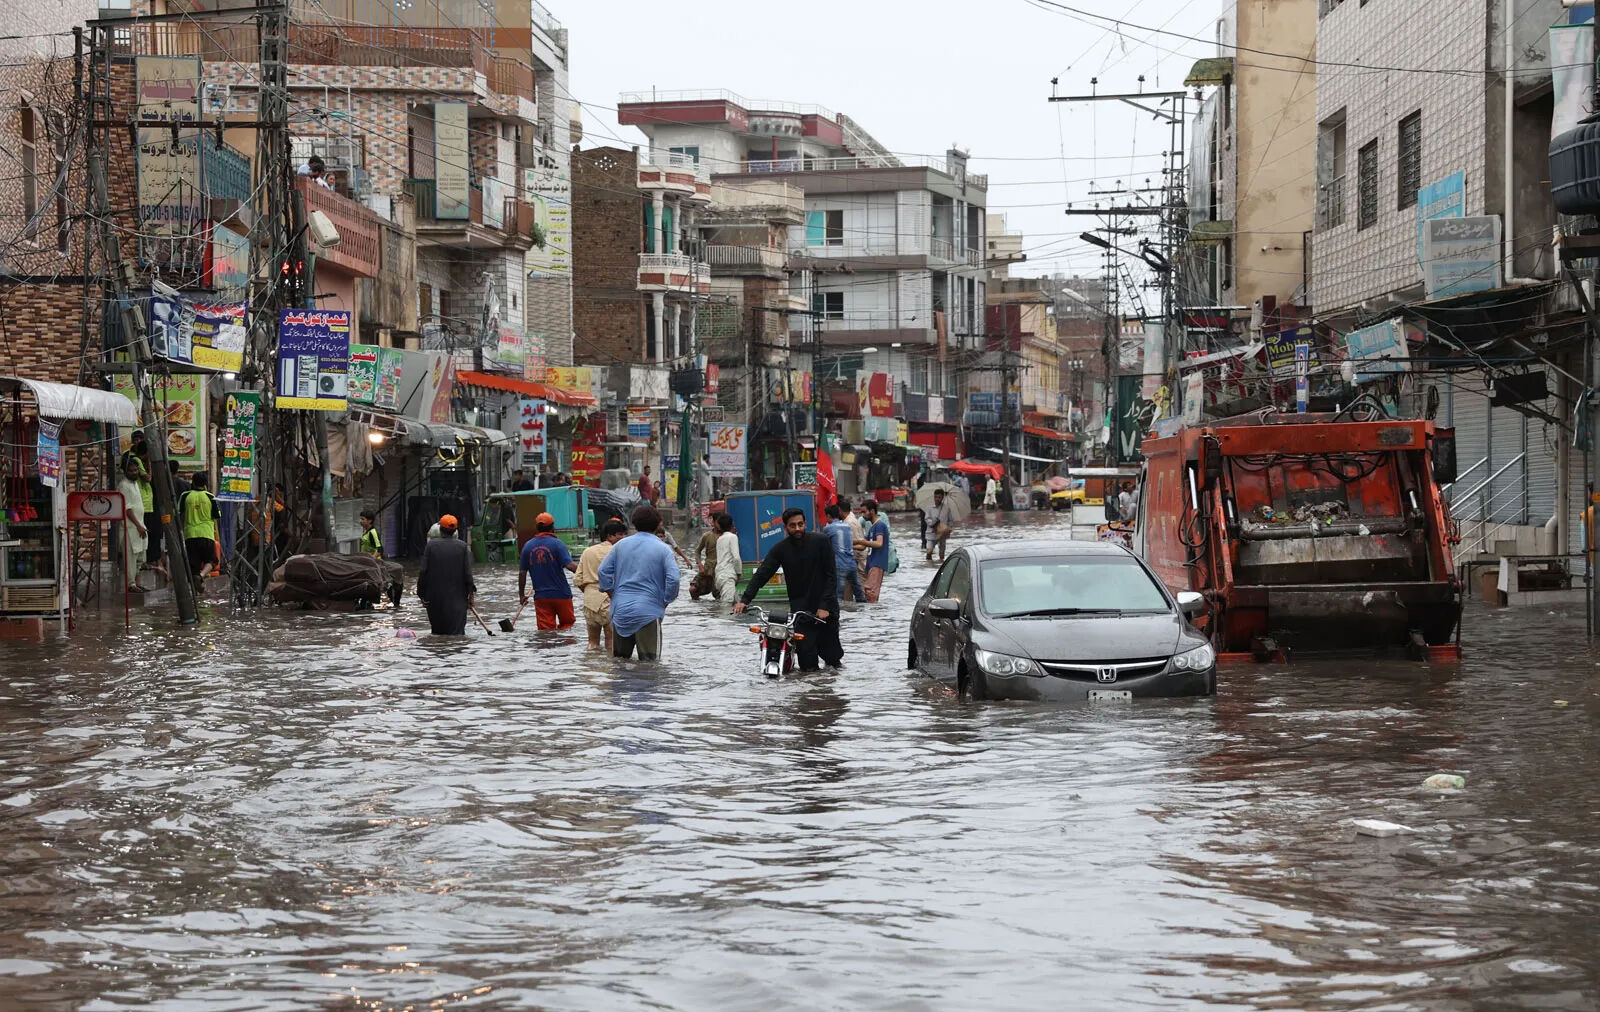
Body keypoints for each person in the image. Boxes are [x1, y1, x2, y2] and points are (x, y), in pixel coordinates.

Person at [734, 507, 842, 670]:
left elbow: (831, 575)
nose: (797, 528)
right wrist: (744, 600)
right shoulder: (781, 549)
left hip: (826, 609)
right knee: (806, 662)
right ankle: (810, 693)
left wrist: (824, 606)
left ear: (805, 524)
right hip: (801, 611)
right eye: (793, 525)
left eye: (800, 524)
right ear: (786, 528)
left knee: (832, 659)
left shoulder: (821, 541)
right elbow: (762, 574)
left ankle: (829, 692)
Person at [598, 504, 681, 660]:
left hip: (621, 611)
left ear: (634, 524)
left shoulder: (620, 545)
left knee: (619, 664)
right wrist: (666, 600)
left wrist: (612, 594)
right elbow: (674, 578)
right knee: (650, 666)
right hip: (648, 613)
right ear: (658, 524)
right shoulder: (663, 549)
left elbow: (603, 571)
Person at [417, 514, 476, 635]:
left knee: (437, 634)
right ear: (455, 530)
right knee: (457, 635)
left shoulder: (430, 546)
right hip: (458, 602)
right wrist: (471, 597)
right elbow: (468, 575)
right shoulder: (463, 547)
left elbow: (423, 572)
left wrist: (422, 595)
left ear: (440, 530)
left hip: (435, 601)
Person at [519, 511, 578, 629]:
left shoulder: (527, 546)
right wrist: (589, 574)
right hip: (561, 595)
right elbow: (571, 566)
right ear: (552, 527)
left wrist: (521, 595)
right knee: (567, 626)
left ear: (537, 527)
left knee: (546, 632)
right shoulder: (557, 544)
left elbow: (522, 573)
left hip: (542, 597)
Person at [575, 518, 626, 651]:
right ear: (609, 536)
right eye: (620, 534)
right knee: (611, 642)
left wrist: (590, 592)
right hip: (610, 599)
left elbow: (578, 580)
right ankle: (609, 670)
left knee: (592, 643)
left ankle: (591, 669)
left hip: (589, 601)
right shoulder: (618, 552)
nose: (623, 537)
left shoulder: (587, 552)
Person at [178, 472, 219, 584]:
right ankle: (202, 575)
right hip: (206, 534)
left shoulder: (185, 495)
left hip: (190, 534)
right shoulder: (210, 497)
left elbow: (178, 513)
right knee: (212, 560)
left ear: (193, 482)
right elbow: (217, 515)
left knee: (193, 565)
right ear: (205, 483)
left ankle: (196, 590)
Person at [824, 504, 866, 605]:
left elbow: (824, 545)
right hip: (852, 564)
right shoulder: (847, 526)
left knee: (838, 597)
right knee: (859, 594)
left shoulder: (828, 528)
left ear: (828, 516)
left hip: (839, 565)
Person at [116, 458, 148, 593]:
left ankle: (135, 583)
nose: (134, 473)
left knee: (140, 558)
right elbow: (127, 508)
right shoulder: (124, 485)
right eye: (131, 471)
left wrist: (141, 525)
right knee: (130, 557)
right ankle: (131, 584)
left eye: (136, 470)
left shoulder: (134, 483)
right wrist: (138, 525)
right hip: (130, 528)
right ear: (125, 471)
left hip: (139, 526)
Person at [854, 498, 891, 603]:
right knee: (869, 592)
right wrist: (850, 545)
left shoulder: (880, 525)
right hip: (871, 563)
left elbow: (879, 543)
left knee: (871, 593)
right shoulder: (872, 528)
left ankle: (874, 616)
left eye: (864, 512)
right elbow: (863, 546)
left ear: (872, 511)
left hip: (877, 563)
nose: (862, 515)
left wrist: (859, 540)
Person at [713, 512, 741, 604]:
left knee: (734, 603)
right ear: (732, 524)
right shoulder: (733, 537)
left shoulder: (719, 539)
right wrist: (739, 573)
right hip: (728, 576)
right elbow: (736, 558)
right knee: (727, 607)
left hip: (719, 576)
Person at [690, 522, 721, 600]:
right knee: (693, 589)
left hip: (720, 569)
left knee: (718, 594)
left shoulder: (726, 536)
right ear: (714, 521)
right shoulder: (707, 535)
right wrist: (700, 565)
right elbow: (697, 551)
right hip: (707, 569)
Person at [925, 487, 958, 562]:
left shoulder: (946, 508)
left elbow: (950, 521)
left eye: (939, 497)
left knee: (942, 553)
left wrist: (949, 528)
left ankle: (941, 565)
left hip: (942, 534)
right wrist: (933, 522)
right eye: (936, 497)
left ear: (942, 497)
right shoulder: (929, 508)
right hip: (931, 533)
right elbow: (927, 519)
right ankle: (929, 563)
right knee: (929, 551)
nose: (937, 499)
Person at [842, 497, 869, 577]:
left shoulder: (850, 522)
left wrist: (845, 547)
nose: (863, 515)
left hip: (860, 561)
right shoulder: (850, 520)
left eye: (864, 512)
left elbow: (861, 546)